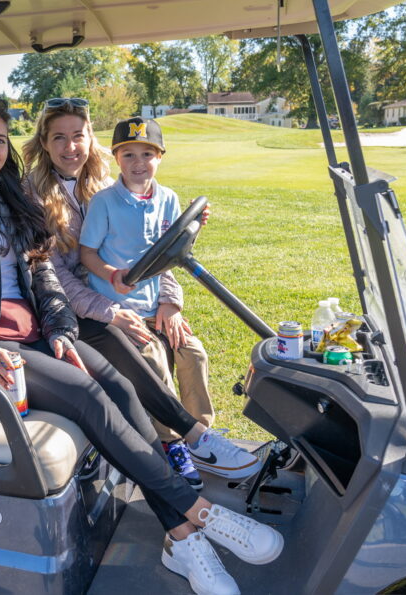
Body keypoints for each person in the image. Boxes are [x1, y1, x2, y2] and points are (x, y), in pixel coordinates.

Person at [0, 98, 282, 595]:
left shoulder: (9, 195)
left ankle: (182, 540)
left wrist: (60, 328)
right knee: (88, 397)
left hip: (35, 334)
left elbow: (42, 271)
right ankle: (199, 514)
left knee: (122, 389)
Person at [22, 101, 262, 487]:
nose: (70, 147)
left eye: (78, 136)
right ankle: (172, 444)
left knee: (189, 349)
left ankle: (204, 438)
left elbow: (154, 250)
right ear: (45, 143)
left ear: (90, 140)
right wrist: (108, 309)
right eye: (59, 138)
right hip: (77, 309)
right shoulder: (33, 197)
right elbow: (52, 274)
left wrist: (170, 301)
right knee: (148, 352)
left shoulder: (106, 183)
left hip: (134, 300)